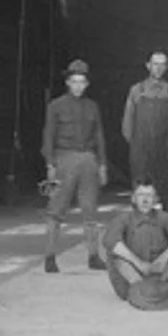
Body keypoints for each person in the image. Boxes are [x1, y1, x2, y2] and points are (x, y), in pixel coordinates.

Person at [41, 59, 109, 273]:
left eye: (82, 82)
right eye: (74, 81)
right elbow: (48, 136)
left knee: (90, 210)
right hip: (64, 159)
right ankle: (50, 257)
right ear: (68, 83)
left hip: (88, 159)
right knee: (56, 209)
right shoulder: (55, 106)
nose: (78, 86)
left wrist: (103, 164)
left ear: (87, 84)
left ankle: (93, 256)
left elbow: (99, 137)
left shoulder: (92, 107)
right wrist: (50, 163)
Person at [101, 180, 168, 307]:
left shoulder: (165, 218)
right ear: (133, 199)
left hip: (160, 274)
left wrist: (163, 259)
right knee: (113, 251)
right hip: (131, 278)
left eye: (149, 196)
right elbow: (110, 240)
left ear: (156, 199)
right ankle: (139, 288)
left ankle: (159, 287)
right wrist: (138, 263)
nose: (145, 200)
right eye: (140, 195)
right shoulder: (123, 219)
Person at [120, 51, 168, 207]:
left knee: (165, 197)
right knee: (141, 196)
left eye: (162, 64)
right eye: (155, 64)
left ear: (167, 67)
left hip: (164, 153)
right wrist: (137, 147)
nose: (159, 68)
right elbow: (127, 125)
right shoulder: (136, 90)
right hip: (140, 153)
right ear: (148, 66)